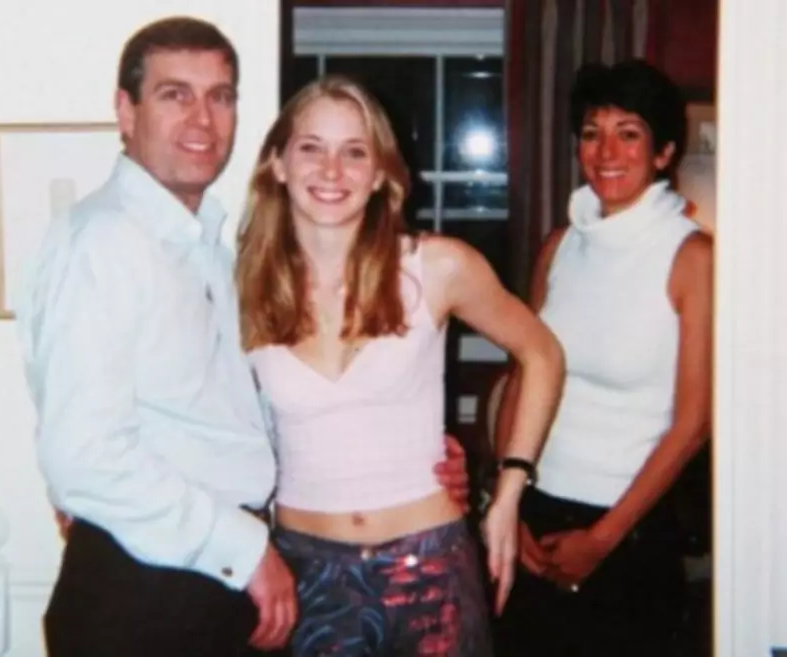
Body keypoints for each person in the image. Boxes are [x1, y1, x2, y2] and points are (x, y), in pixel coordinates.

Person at [17, 17, 469, 657]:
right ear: (126, 110)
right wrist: (245, 548)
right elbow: (85, 456)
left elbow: (239, 418)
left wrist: (407, 453)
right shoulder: (102, 242)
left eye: (220, 96)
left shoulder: (214, 250)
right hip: (147, 590)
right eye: (175, 94)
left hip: (219, 582)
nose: (202, 119)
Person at [236, 74, 564, 657]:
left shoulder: (436, 267)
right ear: (278, 165)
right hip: (306, 577)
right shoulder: (242, 286)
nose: (332, 170)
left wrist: (508, 490)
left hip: (431, 569)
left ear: (380, 174)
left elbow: (542, 353)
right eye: (311, 148)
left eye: (354, 152)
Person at [493, 59, 713, 657]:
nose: (606, 151)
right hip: (534, 513)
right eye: (592, 133)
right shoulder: (559, 246)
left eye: (629, 133)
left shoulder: (692, 258)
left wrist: (603, 539)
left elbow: (694, 423)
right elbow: (522, 377)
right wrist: (507, 502)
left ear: (664, 152)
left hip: (629, 529)